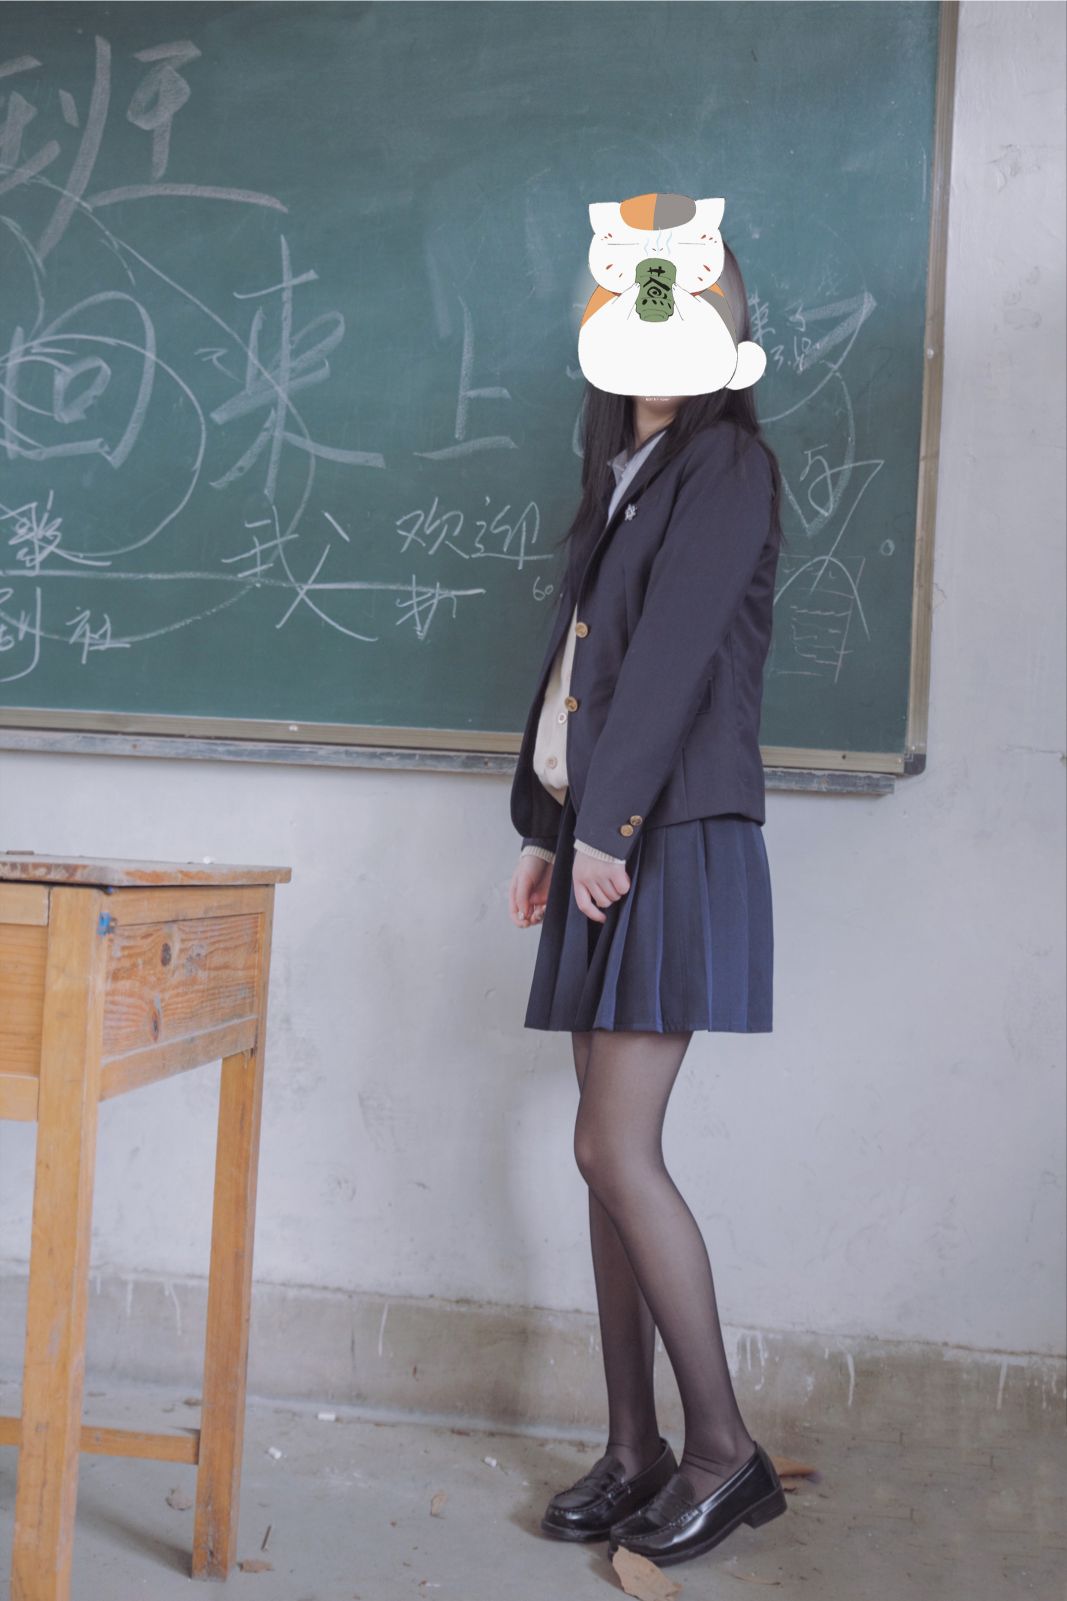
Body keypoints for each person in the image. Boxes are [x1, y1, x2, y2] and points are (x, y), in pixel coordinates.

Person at [507, 242, 790, 1568]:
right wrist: (549, 830)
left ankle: (725, 1451)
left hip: (665, 831)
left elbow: (673, 661)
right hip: (607, 831)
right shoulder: (622, 472)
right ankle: (635, 1448)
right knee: (595, 1149)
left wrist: (605, 830)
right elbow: (588, 672)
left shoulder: (725, 464)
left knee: (617, 1146)